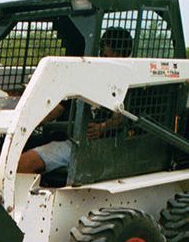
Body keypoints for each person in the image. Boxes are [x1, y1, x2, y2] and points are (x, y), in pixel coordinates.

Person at [18, 27, 134, 174]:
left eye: (107, 54)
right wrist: (30, 119)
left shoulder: (129, 82)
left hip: (99, 146)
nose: (103, 58)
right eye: (102, 54)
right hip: (76, 140)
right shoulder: (90, 76)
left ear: (121, 54)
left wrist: (103, 127)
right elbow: (60, 107)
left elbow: (123, 118)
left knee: (25, 163)